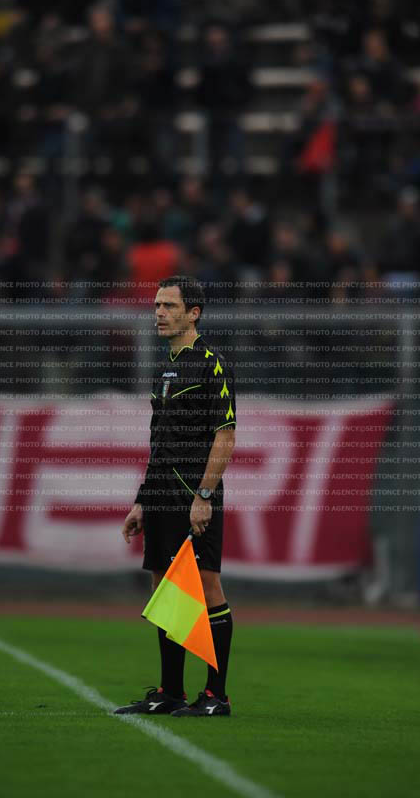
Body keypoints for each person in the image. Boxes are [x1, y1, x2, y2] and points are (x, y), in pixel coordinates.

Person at [115, 275, 236, 717]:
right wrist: (142, 499)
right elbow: (158, 442)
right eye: (157, 306)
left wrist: (204, 495)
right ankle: (171, 692)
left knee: (205, 584)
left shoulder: (212, 364)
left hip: (192, 494)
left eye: (169, 306)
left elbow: (225, 436)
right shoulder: (163, 367)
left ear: (194, 313)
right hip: (161, 494)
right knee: (165, 587)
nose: (159, 313)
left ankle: (216, 696)